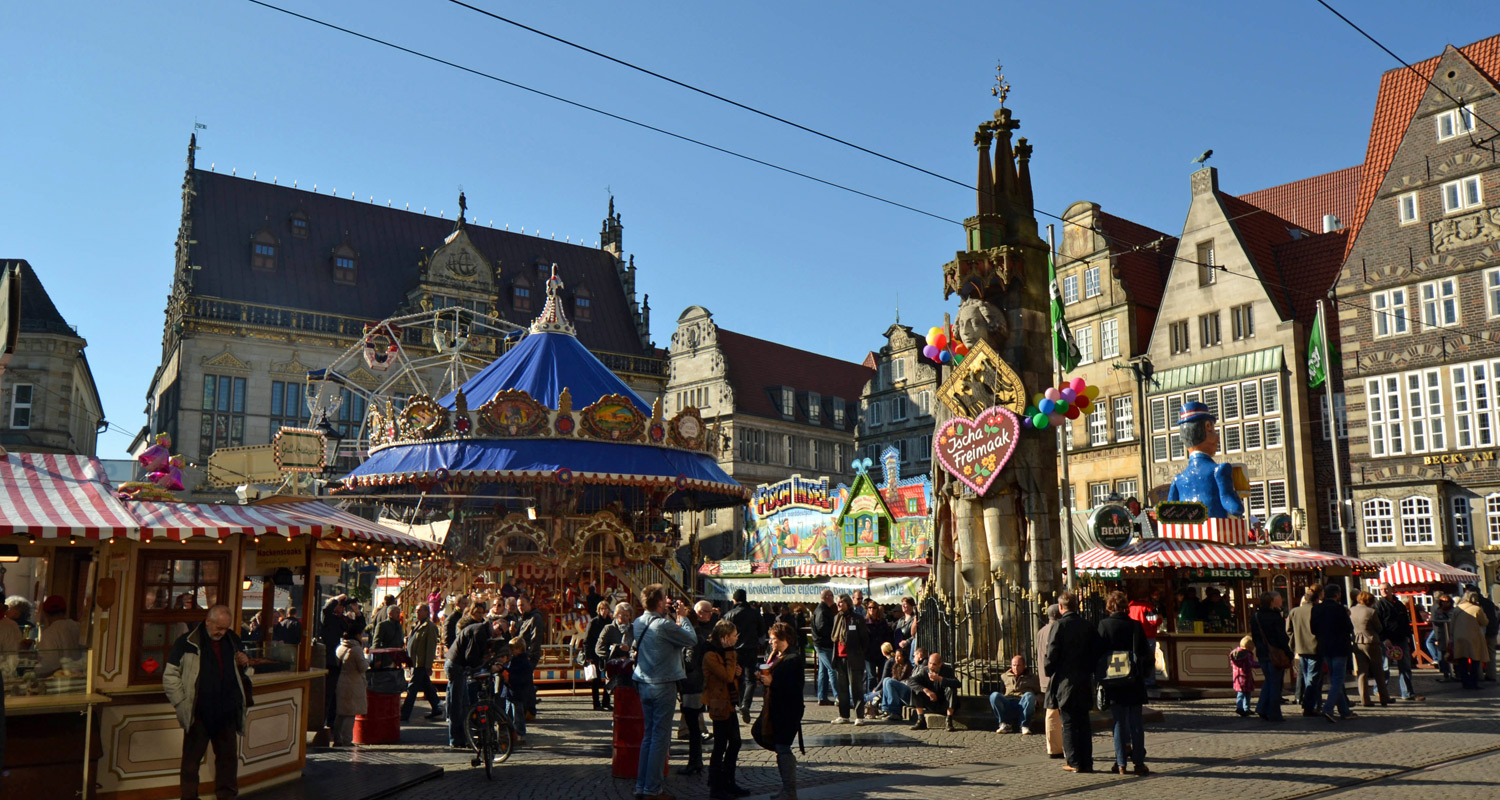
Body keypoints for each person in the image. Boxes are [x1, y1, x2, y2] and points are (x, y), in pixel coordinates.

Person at [163, 605, 251, 800]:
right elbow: (170, 676)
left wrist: (244, 662)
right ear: (207, 621)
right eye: (219, 627)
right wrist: (182, 702)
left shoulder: (232, 640)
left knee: (228, 762)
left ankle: (226, 797)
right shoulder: (187, 642)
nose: (222, 632)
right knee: (191, 763)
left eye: (226, 628)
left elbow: (242, 673)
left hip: (226, 712)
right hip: (199, 713)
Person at [631, 585, 697, 800]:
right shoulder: (662, 624)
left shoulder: (638, 622)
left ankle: (642, 786)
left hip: (643, 682)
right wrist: (683, 617)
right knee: (660, 738)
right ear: (659, 602)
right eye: (664, 599)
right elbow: (691, 640)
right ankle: (652, 789)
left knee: (649, 736)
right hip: (663, 683)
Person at [1098, 590, 1150, 776]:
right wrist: (1143, 675)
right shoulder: (1135, 626)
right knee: (1136, 722)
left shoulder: (1104, 626)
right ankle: (1138, 762)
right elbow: (1146, 655)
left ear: (1110, 606)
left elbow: (1098, 654)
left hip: (1113, 681)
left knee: (1118, 722)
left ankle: (1120, 763)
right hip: (1133, 680)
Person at [1046, 591, 1098, 773]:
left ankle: (1074, 761)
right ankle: (1087, 761)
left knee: (1068, 723)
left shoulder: (1059, 626)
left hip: (1065, 681)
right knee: (1083, 722)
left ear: (1061, 607)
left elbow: (1052, 653)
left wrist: (1048, 670)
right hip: (1084, 679)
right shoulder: (1087, 626)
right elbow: (1095, 652)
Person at [1166, 400, 1244, 517]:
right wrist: (1236, 492)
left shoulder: (1178, 480)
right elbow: (1235, 508)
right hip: (1217, 534)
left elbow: (1168, 514)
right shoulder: (1220, 470)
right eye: (1213, 430)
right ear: (1208, 427)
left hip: (1188, 535)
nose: (1217, 438)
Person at [758, 621, 804, 800]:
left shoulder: (793, 659)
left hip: (788, 710)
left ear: (784, 639)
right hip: (776, 707)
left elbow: (793, 687)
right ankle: (787, 789)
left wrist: (773, 682)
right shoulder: (776, 656)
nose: (770, 642)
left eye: (773, 639)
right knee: (780, 746)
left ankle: (789, 790)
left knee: (783, 746)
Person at [702, 619, 746, 800]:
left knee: (735, 742)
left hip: (730, 702)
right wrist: (730, 657)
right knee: (720, 745)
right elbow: (727, 676)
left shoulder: (726, 653)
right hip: (719, 704)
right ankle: (716, 785)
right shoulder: (711, 655)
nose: (736, 639)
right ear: (725, 637)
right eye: (734, 636)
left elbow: (732, 676)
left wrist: (738, 672)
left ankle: (729, 781)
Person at [678, 600, 717, 777]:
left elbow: (690, 662)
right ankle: (695, 761)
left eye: (679, 621)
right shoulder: (697, 635)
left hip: (692, 686)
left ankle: (695, 762)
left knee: (694, 728)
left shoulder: (692, 638)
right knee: (694, 727)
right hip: (693, 685)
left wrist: (677, 664)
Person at [445, 601, 490, 749]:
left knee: (464, 703)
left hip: (461, 666)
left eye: (481, 613)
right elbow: (470, 653)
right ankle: (456, 738)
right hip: (458, 665)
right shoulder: (473, 627)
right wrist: (480, 662)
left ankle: (464, 736)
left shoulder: (479, 627)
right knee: (457, 703)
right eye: (476, 612)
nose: (479, 616)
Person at [1311, 582, 1355, 722]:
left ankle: (1344, 711)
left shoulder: (1317, 608)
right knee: (1337, 680)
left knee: (1335, 679)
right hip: (1339, 647)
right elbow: (1349, 628)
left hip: (1325, 647)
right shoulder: (1339, 609)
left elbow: (1313, 629)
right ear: (1337, 595)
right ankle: (1328, 708)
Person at [1374, 584, 1423, 701]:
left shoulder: (1399, 604)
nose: (1384, 591)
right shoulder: (1379, 605)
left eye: (1386, 589)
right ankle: (1379, 690)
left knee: (1405, 666)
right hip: (1387, 640)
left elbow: (1405, 622)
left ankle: (1407, 693)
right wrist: (1383, 638)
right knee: (1385, 667)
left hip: (1401, 638)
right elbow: (1378, 624)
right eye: (1381, 589)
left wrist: (1407, 636)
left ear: (1391, 590)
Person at [1249, 590, 1290, 722]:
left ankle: (1262, 707)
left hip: (1262, 652)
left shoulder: (1255, 616)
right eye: (1278, 598)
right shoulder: (1275, 617)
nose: (1281, 600)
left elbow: (1255, 636)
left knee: (1269, 680)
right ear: (1272, 602)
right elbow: (1281, 638)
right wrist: (1288, 652)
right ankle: (1274, 712)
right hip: (1275, 653)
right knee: (1275, 683)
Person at [724, 589, 763, 723]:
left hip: (735, 650)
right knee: (750, 679)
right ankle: (745, 704)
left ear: (734, 600)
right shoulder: (754, 613)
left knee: (738, 678)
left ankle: (741, 704)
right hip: (751, 648)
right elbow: (762, 630)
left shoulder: (730, 614)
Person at [831, 594, 869, 725]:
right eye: (838, 603)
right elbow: (834, 639)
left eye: (841, 602)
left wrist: (859, 653)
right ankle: (844, 715)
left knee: (856, 688)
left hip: (853, 658)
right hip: (840, 657)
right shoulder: (836, 618)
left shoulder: (857, 619)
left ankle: (859, 716)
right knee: (842, 688)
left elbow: (864, 639)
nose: (838, 605)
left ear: (848, 603)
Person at [401, 604, 443, 722]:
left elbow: (430, 648)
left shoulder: (430, 627)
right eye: (416, 611)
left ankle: (405, 713)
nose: (417, 613)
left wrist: (428, 665)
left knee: (412, 687)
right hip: (414, 661)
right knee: (426, 686)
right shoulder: (417, 625)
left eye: (419, 611)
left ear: (426, 612)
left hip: (421, 663)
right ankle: (436, 706)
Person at [1350, 591, 1391, 706]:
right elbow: (1379, 628)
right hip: (1371, 641)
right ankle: (1384, 697)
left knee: (1362, 671)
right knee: (1378, 670)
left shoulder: (1351, 610)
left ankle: (1364, 699)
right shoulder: (1371, 612)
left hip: (1357, 642)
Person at [1287, 585, 1322, 716]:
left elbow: (1288, 630)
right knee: (1312, 678)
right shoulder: (1317, 610)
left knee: (1308, 676)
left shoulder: (1294, 611)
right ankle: (1308, 706)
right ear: (1316, 599)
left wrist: (1295, 643)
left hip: (1301, 648)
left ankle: (1313, 703)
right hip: (1315, 648)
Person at [1036, 605, 1064, 759]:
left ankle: (1052, 748)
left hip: (1044, 677)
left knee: (1050, 712)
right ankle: (1062, 745)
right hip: (1055, 676)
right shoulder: (1058, 629)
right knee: (1060, 712)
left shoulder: (1041, 631)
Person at [906, 651, 960, 731]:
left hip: (945, 702)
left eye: (934, 664)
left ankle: (949, 721)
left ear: (940, 664)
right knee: (916, 689)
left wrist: (940, 679)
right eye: (930, 663)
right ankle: (921, 720)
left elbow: (958, 684)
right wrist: (926, 691)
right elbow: (910, 681)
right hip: (931, 702)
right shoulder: (925, 671)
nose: (931, 666)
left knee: (951, 689)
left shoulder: (947, 671)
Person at [988, 654, 1041, 734]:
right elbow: (1001, 692)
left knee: (1029, 695)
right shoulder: (1004, 676)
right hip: (1008, 702)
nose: (1016, 668)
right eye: (1014, 665)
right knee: (994, 696)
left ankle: (1024, 725)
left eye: (1018, 665)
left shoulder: (1033, 678)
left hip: (1023, 702)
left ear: (1024, 666)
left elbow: (1040, 693)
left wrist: (1037, 699)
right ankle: (1004, 723)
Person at [333, 629, 368, 746]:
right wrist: (368, 659)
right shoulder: (356, 649)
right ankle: (347, 740)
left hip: (341, 681)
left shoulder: (340, 648)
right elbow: (363, 667)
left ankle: (337, 738)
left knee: (341, 712)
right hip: (353, 683)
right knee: (350, 713)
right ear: (357, 635)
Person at [34, 595, 83, 678]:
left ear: (45, 614)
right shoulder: (78, 627)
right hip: (80, 678)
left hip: (60, 682)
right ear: (65, 611)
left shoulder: (49, 633)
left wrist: (34, 671)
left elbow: (49, 664)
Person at [1452, 590, 1490, 690]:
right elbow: (1484, 622)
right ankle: (1473, 682)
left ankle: (1465, 682)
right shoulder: (1477, 609)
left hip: (1459, 637)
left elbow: (1452, 625)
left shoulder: (1457, 609)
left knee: (1462, 660)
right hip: (1473, 637)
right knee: (1475, 660)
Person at [1127, 590, 1163, 688]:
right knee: (1149, 660)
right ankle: (1149, 682)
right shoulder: (1148, 607)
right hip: (1148, 636)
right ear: (1147, 598)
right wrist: (1160, 618)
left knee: (1136, 659)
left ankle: (1135, 680)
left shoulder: (1130, 607)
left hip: (1133, 637)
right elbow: (1155, 622)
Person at [581, 600, 612, 710]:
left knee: (609, 678)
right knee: (596, 680)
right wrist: (588, 655)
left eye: (606, 609)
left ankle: (606, 701)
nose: (604, 611)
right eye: (602, 609)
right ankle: (596, 703)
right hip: (595, 654)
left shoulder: (610, 622)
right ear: (599, 610)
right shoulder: (593, 622)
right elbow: (587, 640)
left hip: (607, 653)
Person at [503, 637, 534, 741]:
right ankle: (512, 733)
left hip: (517, 691)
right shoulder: (518, 660)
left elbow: (521, 678)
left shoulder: (522, 662)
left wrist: (509, 678)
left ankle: (520, 734)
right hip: (513, 691)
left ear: (519, 649)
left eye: (513, 649)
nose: (511, 652)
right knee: (511, 714)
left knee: (517, 715)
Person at [871, 644, 913, 720]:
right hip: (897, 689)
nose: (896, 658)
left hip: (907, 690)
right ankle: (885, 709)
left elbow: (907, 681)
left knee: (889, 681)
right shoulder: (896, 666)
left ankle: (895, 711)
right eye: (896, 656)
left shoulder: (908, 666)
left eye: (899, 656)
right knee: (886, 680)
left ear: (904, 657)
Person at [810, 589, 837, 707]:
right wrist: (833, 634)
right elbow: (822, 628)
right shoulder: (822, 610)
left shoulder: (823, 609)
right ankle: (838, 696)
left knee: (823, 671)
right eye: (832, 595)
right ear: (826, 597)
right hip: (823, 645)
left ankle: (822, 697)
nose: (833, 598)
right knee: (832, 669)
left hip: (822, 644)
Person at [1471, 587, 1499, 682]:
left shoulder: (1475, 604)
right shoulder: (1489, 603)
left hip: (1481, 631)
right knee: (1491, 654)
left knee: (1478, 654)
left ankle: (1479, 675)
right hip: (1493, 630)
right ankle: (1491, 675)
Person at [863, 603, 893, 693]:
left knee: (882, 675)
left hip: (881, 652)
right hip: (869, 653)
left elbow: (887, 635)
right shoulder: (865, 622)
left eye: (874, 608)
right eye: (870, 608)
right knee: (871, 676)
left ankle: (880, 695)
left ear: (877, 609)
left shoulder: (882, 622)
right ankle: (870, 697)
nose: (872, 610)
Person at [1426, 593, 1454, 681]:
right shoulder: (1438, 610)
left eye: (1446, 602)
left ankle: (1455, 672)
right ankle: (1445, 673)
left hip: (1452, 634)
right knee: (1442, 653)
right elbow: (1436, 622)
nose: (1444, 604)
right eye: (1442, 602)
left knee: (1453, 653)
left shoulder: (1453, 610)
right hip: (1442, 634)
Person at [1229, 635, 1258, 716]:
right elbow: (1250, 664)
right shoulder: (1247, 654)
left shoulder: (1234, 653)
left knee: (1240, 694)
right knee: (1247, 694)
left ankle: (1239, 707)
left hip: (1238, 677)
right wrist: (1260, 664)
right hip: (1246, 676)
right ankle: (1246, 708)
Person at [894, 596, 918, 663]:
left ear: (911, 606)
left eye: (905, 604)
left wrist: (907, 641)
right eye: (902, 604)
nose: (903, 606)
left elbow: (915, 634)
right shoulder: (901, 620)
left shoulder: (914, 619)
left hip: (909, 649)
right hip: (899, 649)